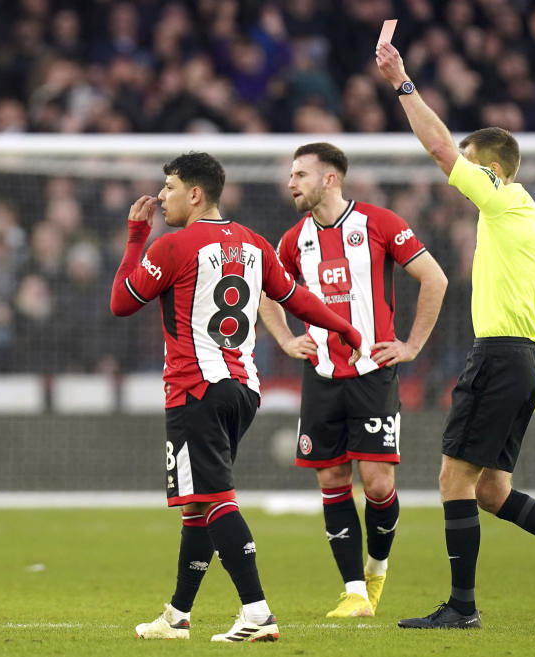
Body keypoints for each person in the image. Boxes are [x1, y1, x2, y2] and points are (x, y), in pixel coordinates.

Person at [376, 42, 535, 630]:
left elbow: (440, 149)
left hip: (497, 353)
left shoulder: (501, 197)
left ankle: (462, 608)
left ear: (491, 169)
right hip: (523, 360)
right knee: (491, 490)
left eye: (471, 163)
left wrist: (403, 82)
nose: (460, 172)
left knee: (453, 479)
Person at [109, 152, 365, 642]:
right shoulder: (253, 242)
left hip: (195, 388)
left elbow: (121, 302)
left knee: (214, 499)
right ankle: (178, 616)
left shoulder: (172, 247)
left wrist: (136, 237)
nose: (161, 197)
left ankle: (257, 612)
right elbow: (296, 297)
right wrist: (344, 328)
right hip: (243, 389)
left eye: (168, 188)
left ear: (195, 194)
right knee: (196, 505)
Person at [259, 142, 448, 618]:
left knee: (379, 483)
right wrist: (284, 338)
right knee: (332, 477)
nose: (291, 183)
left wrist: (411, 346)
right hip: (322, 375)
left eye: (300, 174)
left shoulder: (379, 224)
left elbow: (435, 279)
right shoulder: (292, 240)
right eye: (291, 174)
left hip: (373, 372)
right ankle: (354, 593)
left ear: (330, 179)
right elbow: (267, 290)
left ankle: (377, 569)